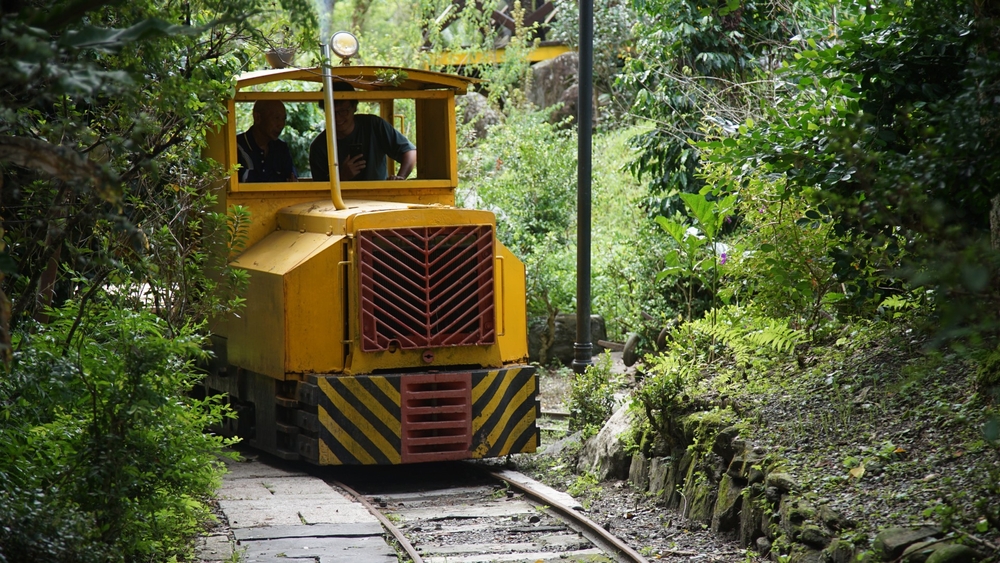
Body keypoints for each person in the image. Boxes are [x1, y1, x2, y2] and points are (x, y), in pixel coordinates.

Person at [309, 81, 416, 181]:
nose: (337, 118)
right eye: (331, 112)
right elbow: (321, 189)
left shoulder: (374, 125)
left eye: (343, 111)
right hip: (342, 200)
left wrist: (400, 178)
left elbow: (409, 152)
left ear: (354, 107)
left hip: (379, 198)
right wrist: (342, 176)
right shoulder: (319, 147)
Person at [236, 100, 297, 182]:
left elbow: (292, 182)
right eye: (276, 118)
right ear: (257, 117)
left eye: (283, 119)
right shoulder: (236, 146)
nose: (281, 124)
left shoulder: (281, 149)